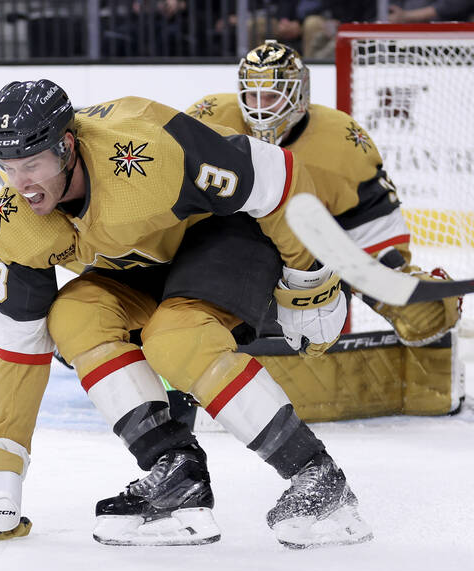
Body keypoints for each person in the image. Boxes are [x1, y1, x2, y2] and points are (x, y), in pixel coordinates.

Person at [0, 78, 375, 549]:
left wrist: (311, 281)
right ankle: (176, 474)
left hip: (226, 236)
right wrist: (6, 456)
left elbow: (277, 174)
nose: (21, 185)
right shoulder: (15, 221)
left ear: (66, 147)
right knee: (73, 316)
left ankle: (318, 477)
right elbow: (20, 340)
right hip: (149, 260)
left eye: (32, 165)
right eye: (7, 168)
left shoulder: (147, 154)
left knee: (174, 339)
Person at [185, 41, 463, 413]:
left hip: (305, 268)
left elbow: (371, 224)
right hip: (222, 257)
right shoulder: (207, 119)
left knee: (423, 314)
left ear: (300, 95)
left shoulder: (340, 140)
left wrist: (391, 275)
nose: (260, 108)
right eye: (252, 96)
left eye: (272, 97)